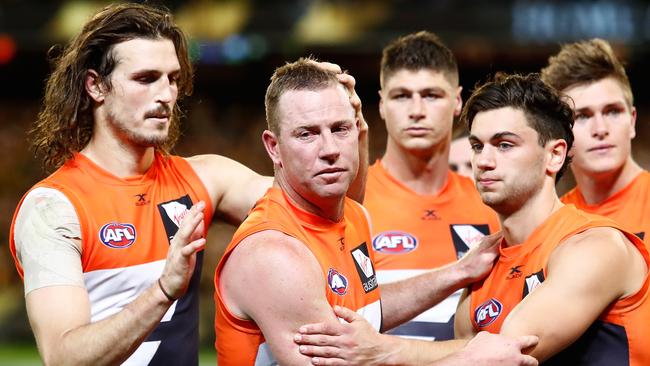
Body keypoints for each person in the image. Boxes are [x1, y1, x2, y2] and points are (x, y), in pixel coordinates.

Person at [214, 59, 538, 366]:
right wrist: (467, 360)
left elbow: (365, 308)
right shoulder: (274, 254)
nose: (329, 149)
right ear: (273, 147)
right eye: (307, 134)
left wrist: (457, 272)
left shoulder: (352, 217)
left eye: (340, 128)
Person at [7, 3, 280, 365]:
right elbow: (64, 357)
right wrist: (164, 290)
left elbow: (314, 208)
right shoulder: (54, 207)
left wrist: (345, 127)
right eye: (146, 78)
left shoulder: (205, 178)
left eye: (173, 78)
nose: (166, 95)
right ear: (96, 85)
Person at [452, 73, 650, 364]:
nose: (483, 161)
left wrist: (386, 350)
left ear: (555, 155)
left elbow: (505, 355)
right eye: (478, 146)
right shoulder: (479, 273)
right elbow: (464, 357)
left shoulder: (596, 244)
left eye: (504, 145)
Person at [364, 31, 498, 340]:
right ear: (383, 104)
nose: (416, 110)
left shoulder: (491, 204)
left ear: (457, 101)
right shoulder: (351, 204)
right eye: (401, 96)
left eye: (431, 95)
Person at [540, 39, 650, 241]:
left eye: (613, 112)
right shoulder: (549, 224)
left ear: (632, 121)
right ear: (559, 135)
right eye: (582, 116)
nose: (600, 129)